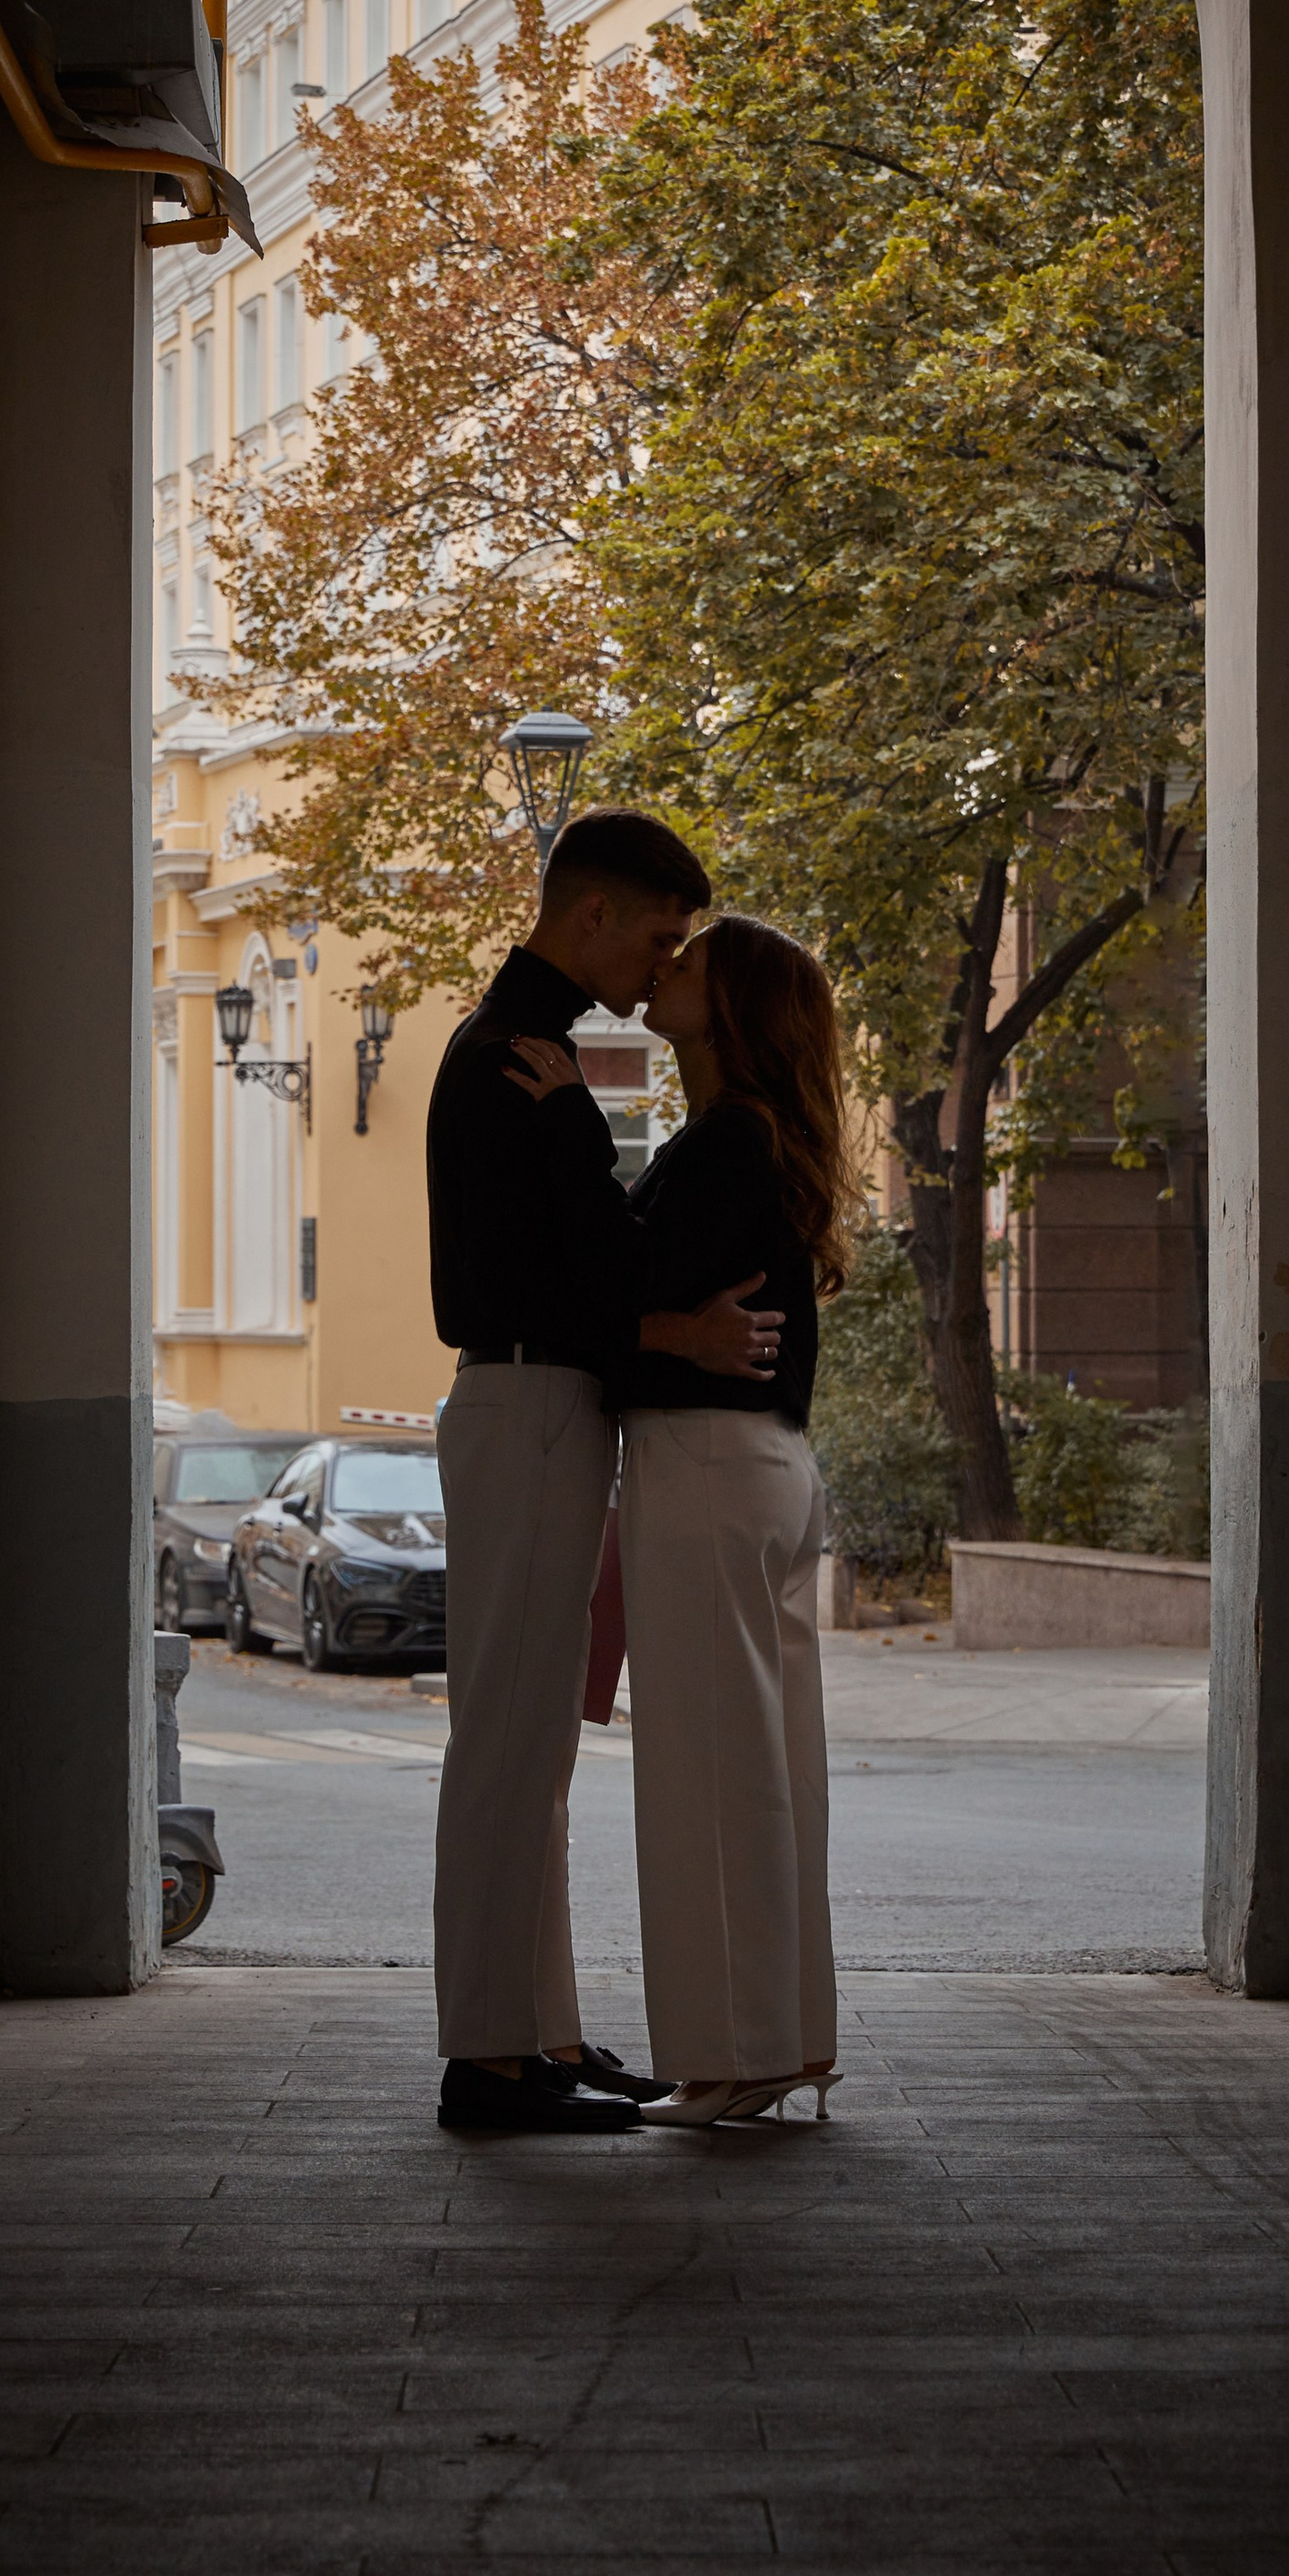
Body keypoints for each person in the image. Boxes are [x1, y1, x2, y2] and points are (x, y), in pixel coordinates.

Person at [426, 811, 784, 2134]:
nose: (663, 956)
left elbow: (581, 1254)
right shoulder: (510, 1061)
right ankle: (487, 2057)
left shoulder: (539, 1057)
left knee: (535, 1746)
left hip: (543, 1403)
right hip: (524, 1397)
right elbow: (531, 1278)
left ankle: (538, 2035)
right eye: (656, 930)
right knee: (509, 1745)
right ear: (589, 917)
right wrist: (662, 1325)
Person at [512, 913, 849, 2125]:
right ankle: (784, 2038)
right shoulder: (749, 1141)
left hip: (705, 1466)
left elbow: (620, 1277)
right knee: (773, 1774)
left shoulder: (722, 1144)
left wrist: (563, 1123)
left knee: (709, 1777)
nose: (668, 968)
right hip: (765, 1467)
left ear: (735, 1006)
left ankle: (730, 2057)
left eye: (692, 959)